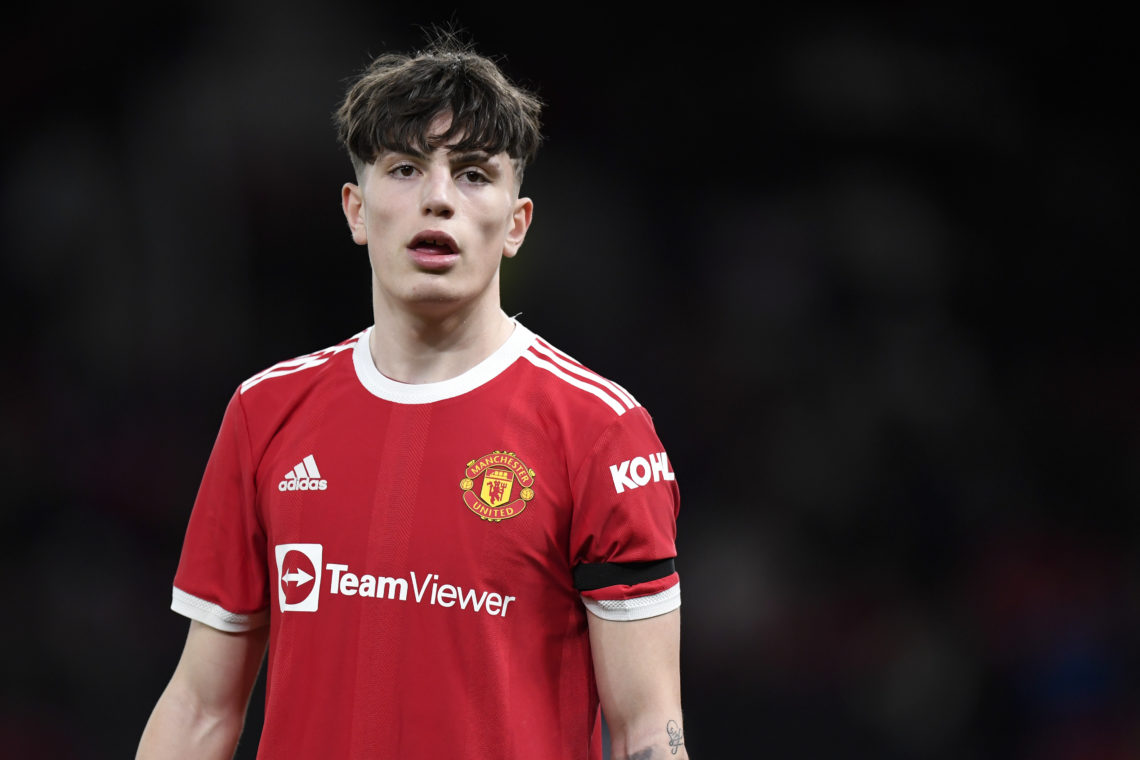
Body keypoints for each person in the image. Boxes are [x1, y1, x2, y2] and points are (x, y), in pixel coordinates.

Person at [137, 32, 687, 760]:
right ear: (356, 210)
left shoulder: (602, 431)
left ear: (516, 223)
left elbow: (649, 730)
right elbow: (202, 709)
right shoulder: (265, 413)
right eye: (403, 169)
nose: (437, 200)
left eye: (472, 174)